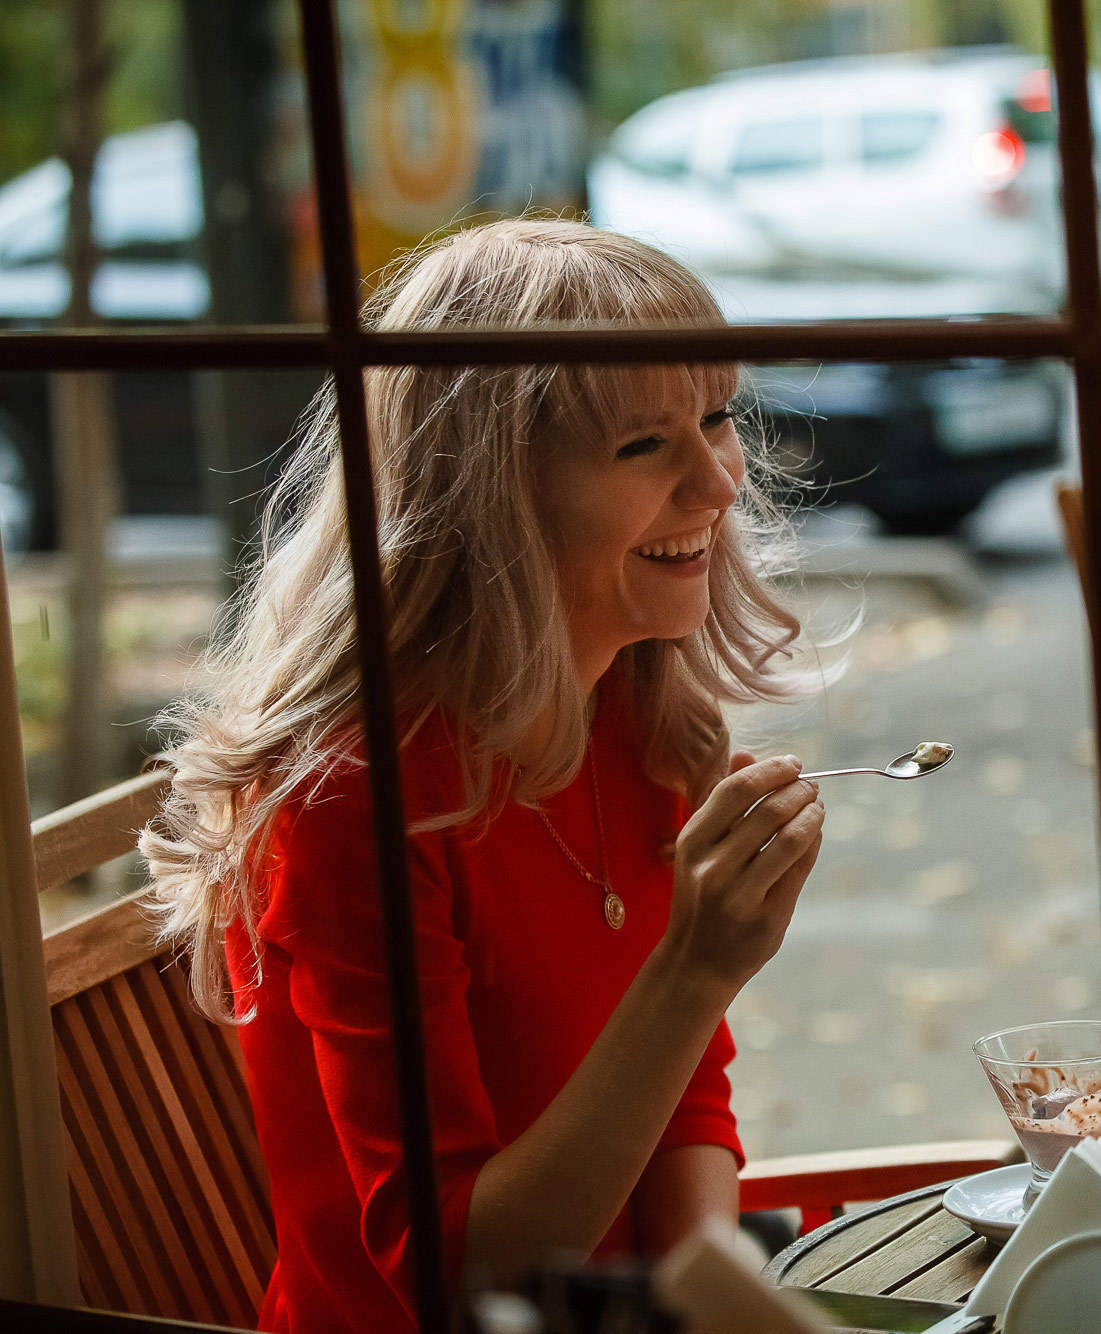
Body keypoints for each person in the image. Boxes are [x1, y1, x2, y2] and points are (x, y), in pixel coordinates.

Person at [142, 219, 828, 1333]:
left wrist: (719, 1305)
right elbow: (455, 1275)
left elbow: (685, 1099)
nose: (715, 483)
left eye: (716, 418)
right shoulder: (350, 799)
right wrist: (694, 969)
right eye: (643, 446)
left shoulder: (640, 716)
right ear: (494, 491)